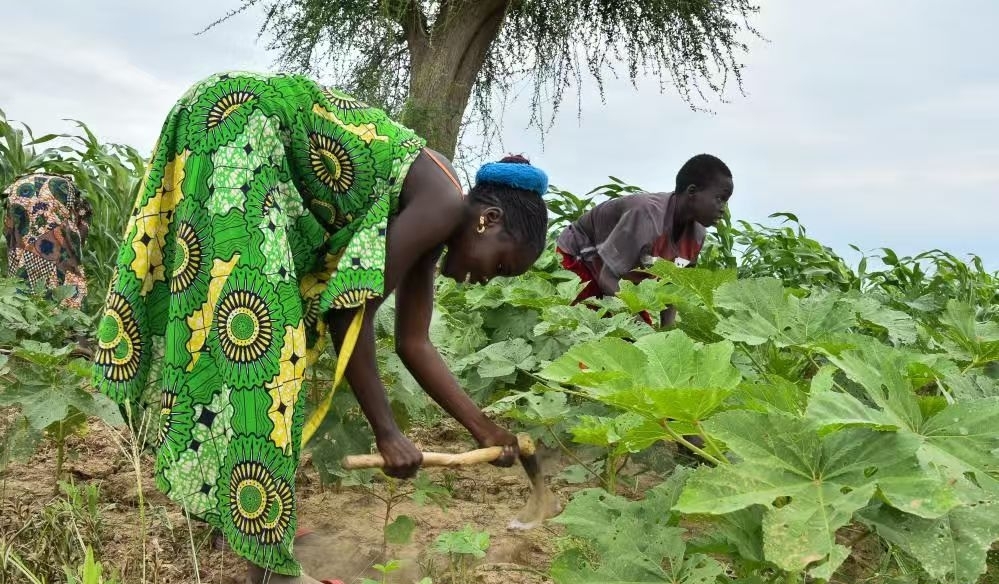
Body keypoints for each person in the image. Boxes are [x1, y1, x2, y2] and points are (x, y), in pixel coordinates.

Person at [91, 71, 549, 584]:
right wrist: (388, 433)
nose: (488, 279)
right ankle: (267, 566)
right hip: (242, 120)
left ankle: (234, 516)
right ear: (488, 220)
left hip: (228, 116)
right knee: (261, 351)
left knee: (239, 336)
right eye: (503, 265)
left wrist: (484, 430)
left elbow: (413, 342)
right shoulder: (441, 203)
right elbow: (349, 314)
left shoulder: (438, 211)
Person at [556, 154, 733, 326]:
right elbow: (607, 278)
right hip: (580, 256)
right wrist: (640, 329)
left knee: (637, 335)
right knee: (586, 328)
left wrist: (667, 333)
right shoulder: (646, 217)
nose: (723, 209)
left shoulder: (697, 236)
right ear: (692, 191)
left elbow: (671, 286)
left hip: (617, 274)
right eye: (720, 199)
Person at [2, 172, 91, 308]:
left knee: (20, 253)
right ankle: (63, 311)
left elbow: (10, 235)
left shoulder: (19, 185)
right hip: (57, 196)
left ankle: (22, 305)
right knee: (65, 266)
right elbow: (79, 234)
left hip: (18, 192)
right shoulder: (72, 194)